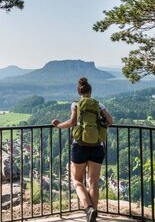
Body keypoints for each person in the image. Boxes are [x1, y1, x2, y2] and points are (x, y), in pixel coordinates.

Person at [51, 77, 113, 222]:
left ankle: (88, 208)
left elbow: (72, 122)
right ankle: (94, 214)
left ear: (79, 92)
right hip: (97, 146)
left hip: (79, 146)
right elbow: (110, 121)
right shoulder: (99, 105)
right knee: (93, 182)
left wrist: (58, 125)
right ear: (91, 92)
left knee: (77, 180)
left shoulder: (76, 105)